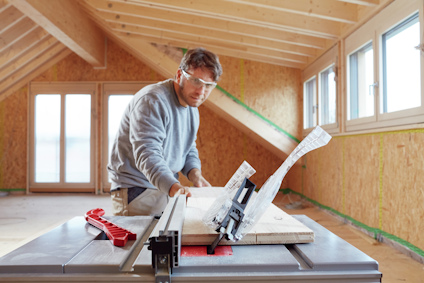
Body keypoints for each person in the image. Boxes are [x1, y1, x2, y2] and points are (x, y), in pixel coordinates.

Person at [107, 47, 223, 217]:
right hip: (137, 189)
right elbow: (148, 155)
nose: (201, 91)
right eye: (196, 81)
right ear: (179, 75)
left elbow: (188, 148)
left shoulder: (192, 108)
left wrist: (195, 175)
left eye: (208, 85)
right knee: (141, 243)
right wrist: (174, 187)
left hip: (164, 185)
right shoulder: (152, 101)